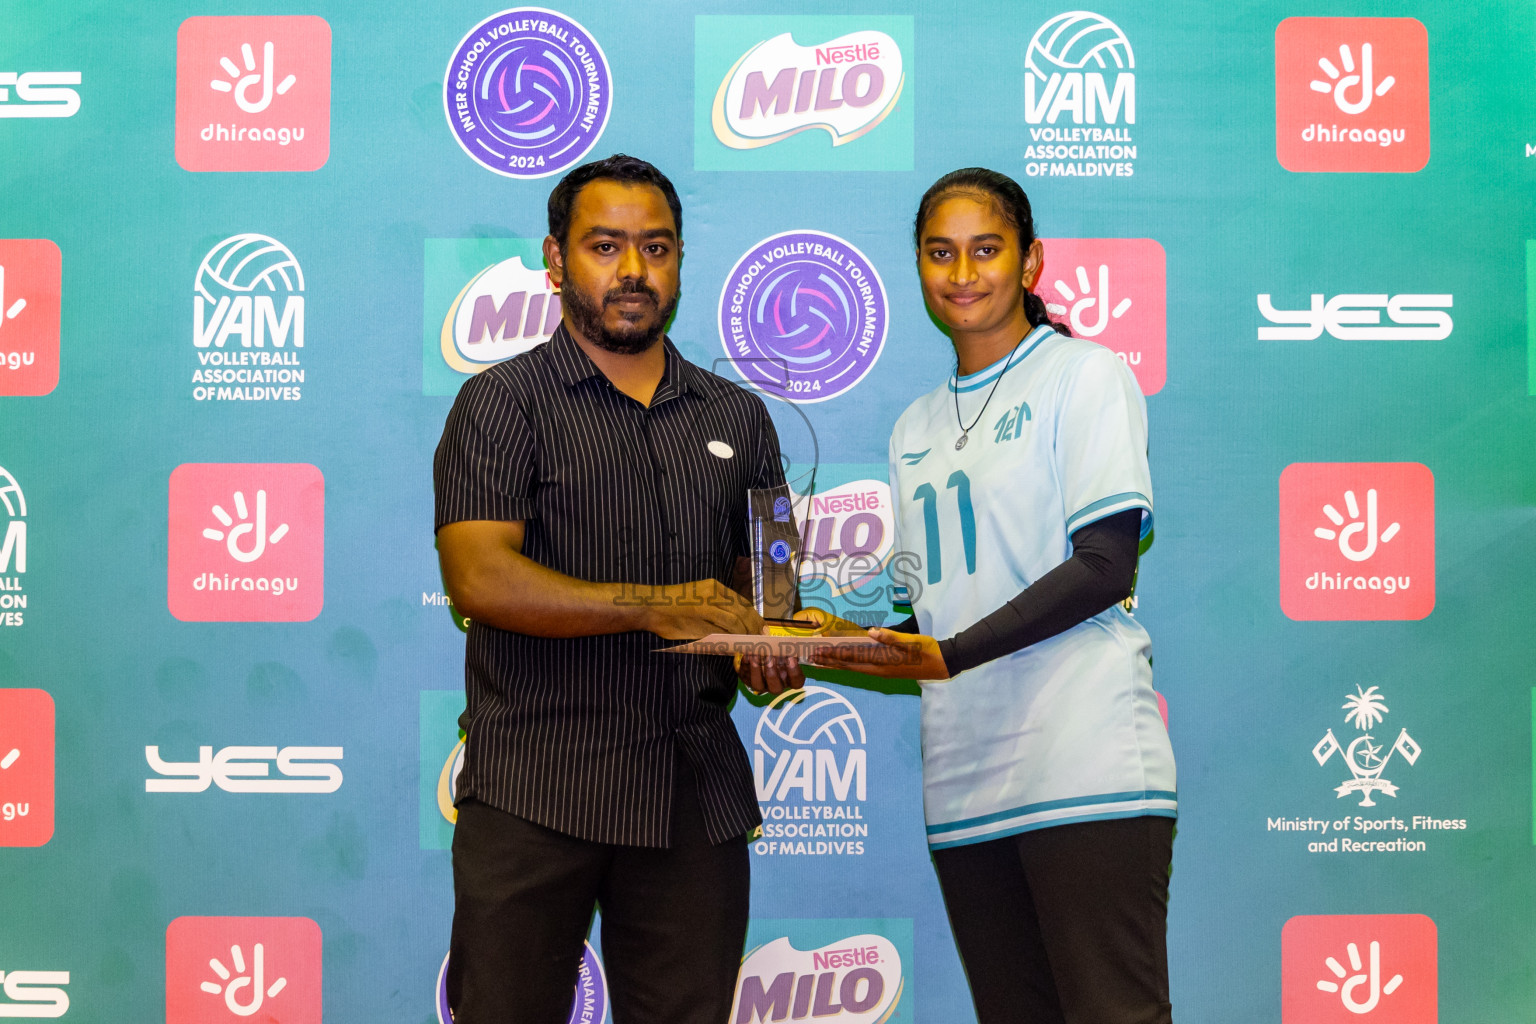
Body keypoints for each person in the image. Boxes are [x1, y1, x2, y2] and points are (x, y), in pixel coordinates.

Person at [433, 153, 801, 1024]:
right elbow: (478, 579)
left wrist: (775, 649)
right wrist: (659, 605)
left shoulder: (741, 416)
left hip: (691, 792)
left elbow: (776, 590)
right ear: (557, 261)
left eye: (657, 247)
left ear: (679, 260)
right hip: (536, 783)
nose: (634, 271)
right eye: (606, 246)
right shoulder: (498, 403)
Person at [812, 167, 1177, 1024]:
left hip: (1085, 764)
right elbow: (932, 609)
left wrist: (945, 654)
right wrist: (822, 638)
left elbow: (1104, 565)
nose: (963, 273)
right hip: (966, 786)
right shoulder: (914, 428)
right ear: (919, 267)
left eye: (986, 250)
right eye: (941, 253)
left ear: (1030, 261)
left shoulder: (1083, 377)